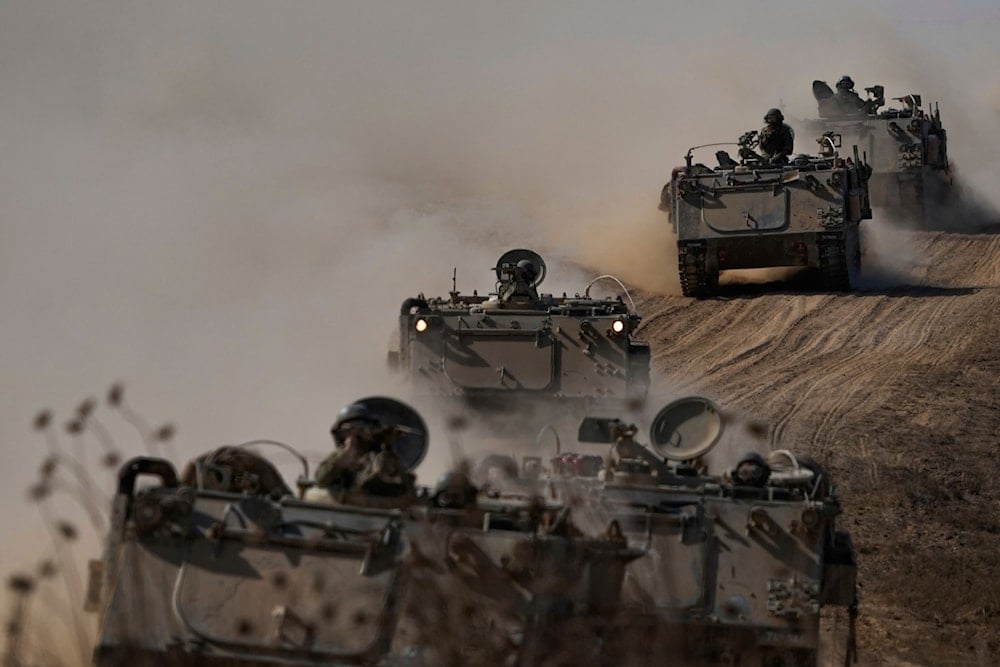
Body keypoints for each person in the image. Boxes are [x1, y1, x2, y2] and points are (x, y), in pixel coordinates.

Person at [316, 402, 415, 498]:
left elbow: (399, 484)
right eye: (348, 430)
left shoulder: (377, 456)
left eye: (361, 428)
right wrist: (346, 454)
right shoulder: (338, 457)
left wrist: (388, 446)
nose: (355, 434)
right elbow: (321, 481)